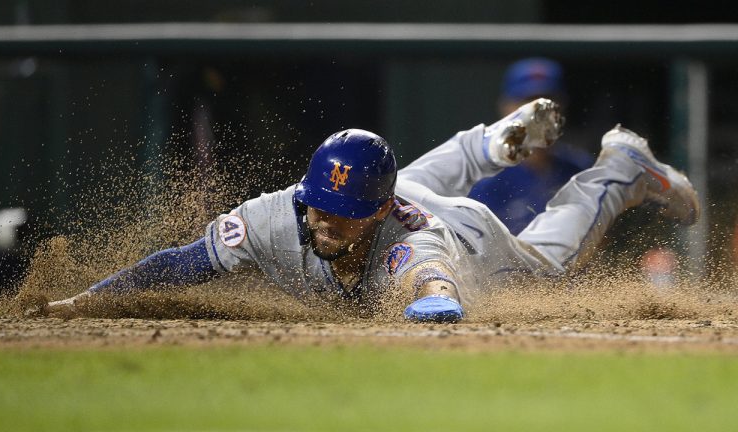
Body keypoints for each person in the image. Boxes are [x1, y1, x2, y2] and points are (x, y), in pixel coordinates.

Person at [45, 98, 699, 323]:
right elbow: (184, 263)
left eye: (341, 215)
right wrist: (90, 299)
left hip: (463, 233)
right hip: (399, 193)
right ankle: (486, 144)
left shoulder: (407, 243)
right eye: (317, 208)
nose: (322, 223)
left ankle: (620, 171)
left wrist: (437, 301)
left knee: (551, 264)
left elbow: (430, 278)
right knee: (397, 182)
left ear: (376, 215)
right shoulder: (281, 214)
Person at [468, 58, 593, 234]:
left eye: (547, 102)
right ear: (507, 108)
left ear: (562, 107)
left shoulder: (580, 169)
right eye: (528, 103)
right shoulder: (483, 177)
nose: (538, 113)